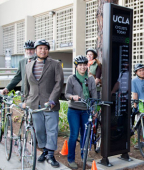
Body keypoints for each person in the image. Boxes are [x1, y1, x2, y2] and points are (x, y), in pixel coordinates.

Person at [23, 39, 64, 168]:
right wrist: (25, 101)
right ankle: (44, 150)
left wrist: (52, 99)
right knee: (39, 129)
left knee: (52, 129)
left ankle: (51, 154)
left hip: (50, 103)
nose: (43, 50)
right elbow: (26, 85)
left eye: (45, 48)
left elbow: (59, 83)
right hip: (34, 103)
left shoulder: (55, 64)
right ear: (36, 50)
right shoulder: (29, 65)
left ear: (48, 50)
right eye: (40, 48)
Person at [65, 55, 97, 169]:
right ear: (76, 67)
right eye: (80, 65)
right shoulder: (71, 78)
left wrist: (95, 109)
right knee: (74, 135)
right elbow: (66, 94)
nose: (82, 67)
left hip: (86, 111)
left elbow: (94, 95)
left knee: (85, 135)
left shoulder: (91, 79)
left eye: (84, 65)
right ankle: (71, 159)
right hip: (73, 110)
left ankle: (84, 156)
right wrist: (73, 97)